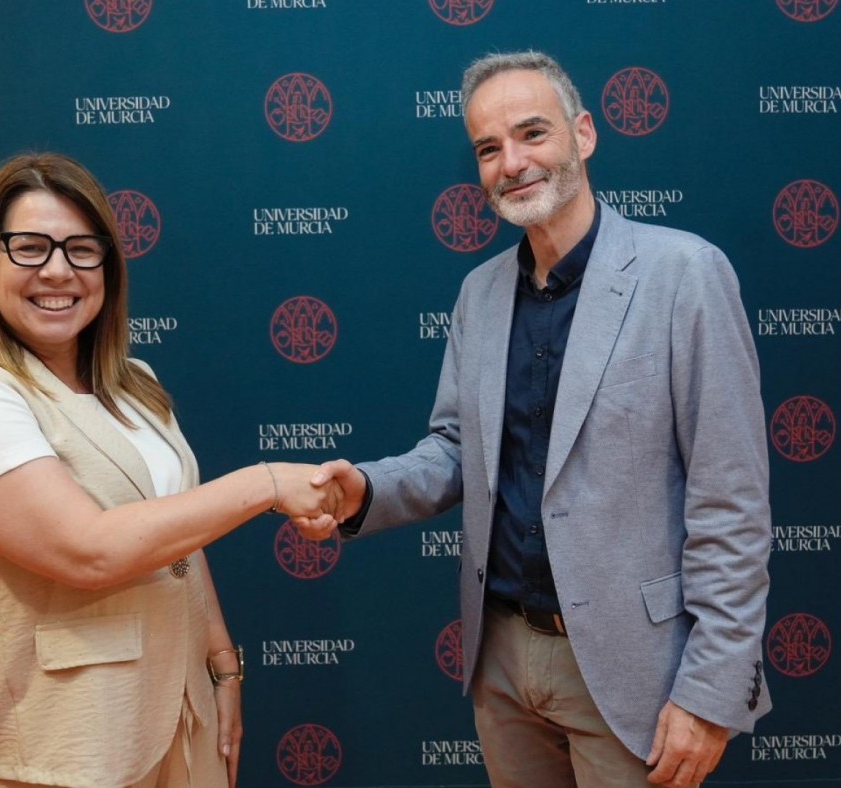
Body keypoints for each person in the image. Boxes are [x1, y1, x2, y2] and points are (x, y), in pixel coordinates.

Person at [308, 51, 772, 788]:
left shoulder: (685, 274)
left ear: (583, 134)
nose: (512, 163)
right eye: (489, 149)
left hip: (634, 669)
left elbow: (732, 502)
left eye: (532, 134)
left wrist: (712, 692)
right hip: (501, 660)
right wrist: (364, 489)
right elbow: (459, 449)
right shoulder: (479, 294)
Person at [0, 153, 344, 788]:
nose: (58, 270)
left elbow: (177, 537)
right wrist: (267, 482)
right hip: (68, 743)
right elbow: (88, 552)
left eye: (83, 249)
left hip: (182, 712)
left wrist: (222, 664)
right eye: (29, 247)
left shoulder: (137, 384)